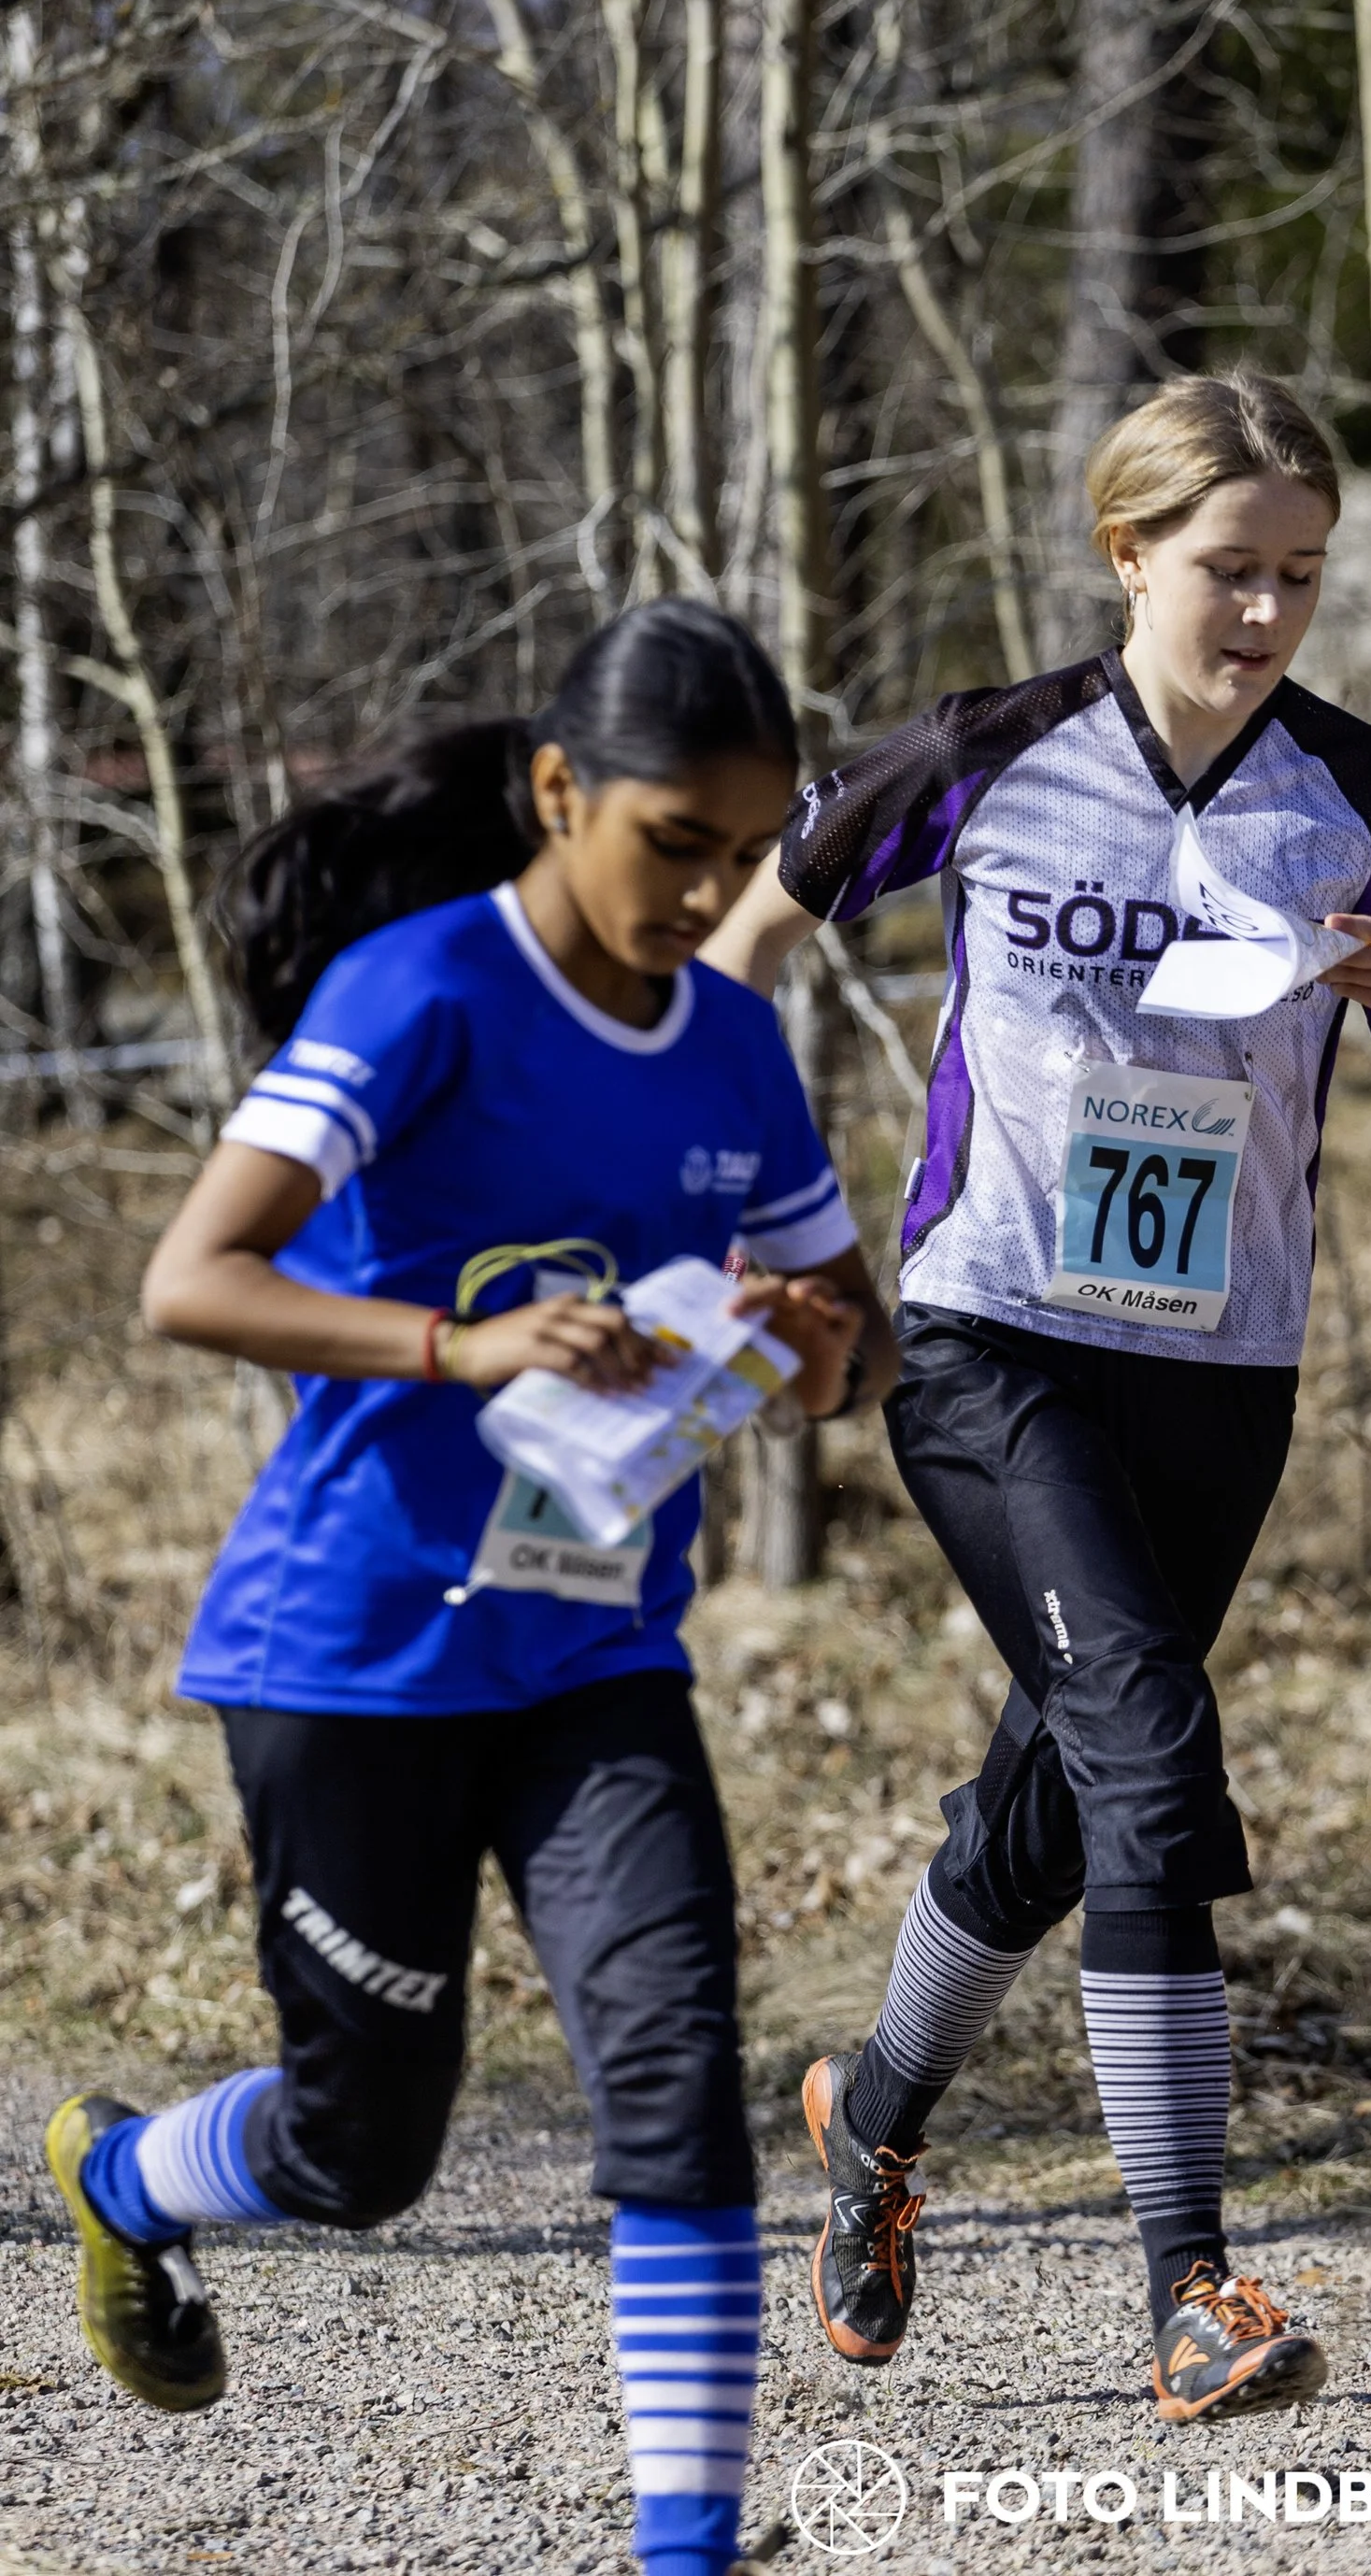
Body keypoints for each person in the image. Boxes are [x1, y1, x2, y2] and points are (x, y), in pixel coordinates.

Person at [44, 600, 898, 2576]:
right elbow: (195, 1281)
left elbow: (848, 1354)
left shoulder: (739, 1050)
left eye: (742, 851)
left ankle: (685, 2542)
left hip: (597, 1649)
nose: (702, 888)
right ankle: (122, 2173)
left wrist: (794, 1342)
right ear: (557, 792)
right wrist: (464, 1346)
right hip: (355, 1650)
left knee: (675, 2070)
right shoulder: (417, 988)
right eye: (668, 838)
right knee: (364, 2148)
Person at [701, 373, 1371, 2422]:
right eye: (1229, 568)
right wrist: (723, 1182)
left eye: (1300, 577)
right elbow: (755, 935)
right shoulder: (991, 750)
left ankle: (873, 2114)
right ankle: (1191, 2282)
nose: (1264, 612)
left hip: (1222, 1366)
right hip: (989, 1340)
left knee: (1054, 1805)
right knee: (1151, 1746)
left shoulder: (1356, 788)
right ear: (1127, 550)